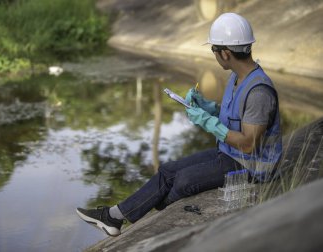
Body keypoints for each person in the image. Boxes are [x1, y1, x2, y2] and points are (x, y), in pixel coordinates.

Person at [76, 12, 282, 237]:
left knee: (184, 181)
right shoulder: (237, 77)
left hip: (252, 167)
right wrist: (206, 108)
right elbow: (234, 116)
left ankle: (153, 218)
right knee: (167, 171)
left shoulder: (259, 91)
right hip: (230, 155)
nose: (213, 54)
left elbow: (249, 144)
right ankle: (113, 216)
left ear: (225, 53)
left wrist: (208, 123)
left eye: (213, 50)